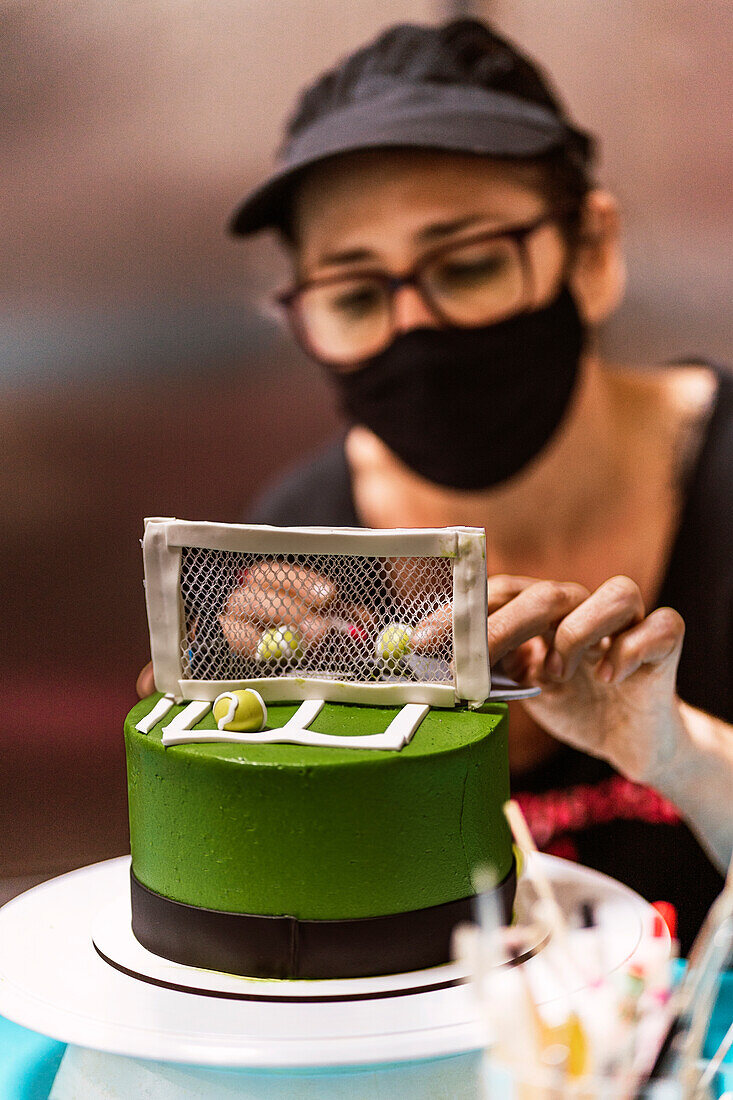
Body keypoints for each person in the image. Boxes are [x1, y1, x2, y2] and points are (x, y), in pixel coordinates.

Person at [138, 19, 732, 951]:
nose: (415, 330)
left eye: (468, 264)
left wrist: (682, 758)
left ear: (591, 250)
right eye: (353, 294)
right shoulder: (288, 560)